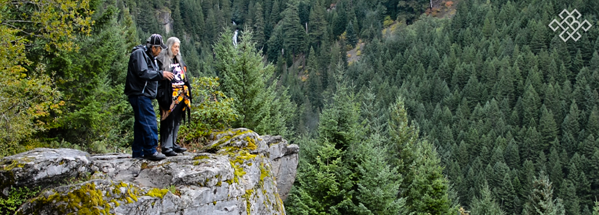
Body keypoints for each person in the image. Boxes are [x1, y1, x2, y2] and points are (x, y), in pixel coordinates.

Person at [125, 34, 174, 161]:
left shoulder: (149, 56)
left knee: (140, 124)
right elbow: (143, 72)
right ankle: (150, 150)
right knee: (149, 122)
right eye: (159, 49)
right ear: (153, 47)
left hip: (143, 94)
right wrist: (161, 74)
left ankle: (138, 151)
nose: (160, 51)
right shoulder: (139, 54)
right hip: (140, 94)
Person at [156, 37, 190, 156]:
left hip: (180, 94)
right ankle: (166, 146)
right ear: (169, 46)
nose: (177, 49)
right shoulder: (161, 59)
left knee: (177, 119)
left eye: (178, 47)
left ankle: (173, 143)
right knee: (167, 119)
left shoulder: (178, 59)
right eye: (175, 47)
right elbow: (158, 76)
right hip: (167, 94)